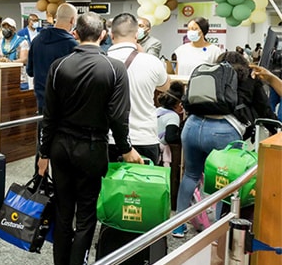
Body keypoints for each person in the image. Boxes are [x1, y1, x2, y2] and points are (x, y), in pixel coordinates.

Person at [36, 12, 142, 265]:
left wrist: (43, 154)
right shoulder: (114, 68)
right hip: (92, 148)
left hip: (60, 148)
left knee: (62, 211)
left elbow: (49, 116)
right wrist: (126, 147)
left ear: (75, 32)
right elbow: (118, 117)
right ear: (103, 34)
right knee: (86, 217)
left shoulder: (59, 67)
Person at [174, 51, 277, 238]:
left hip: (192, 127)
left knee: (190, 174)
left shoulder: (209, 74)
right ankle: (218, 229)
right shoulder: (250, 80)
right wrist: (276, 127)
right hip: (224, 130)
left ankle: (178, 227)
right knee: (225, 180)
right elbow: (264, 109)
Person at [107, 13, 170, 164]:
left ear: (111, 35)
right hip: (144, 138)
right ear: (136, 35)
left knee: (107, 187)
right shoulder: (152, 62)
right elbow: (165, 86)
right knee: (142, 187)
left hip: (107, 139)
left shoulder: (100, 59)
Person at [26, 3, 78, 112]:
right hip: (64, 104)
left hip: (41, 100)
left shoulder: (37, 40)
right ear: (73, 20)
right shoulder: (72, 45)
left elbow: (30, 71)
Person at [157, 81, 185, 167]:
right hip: (160, 153)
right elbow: (170, 138)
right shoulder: (173, 116)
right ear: (178, 103)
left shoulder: (158, 110)